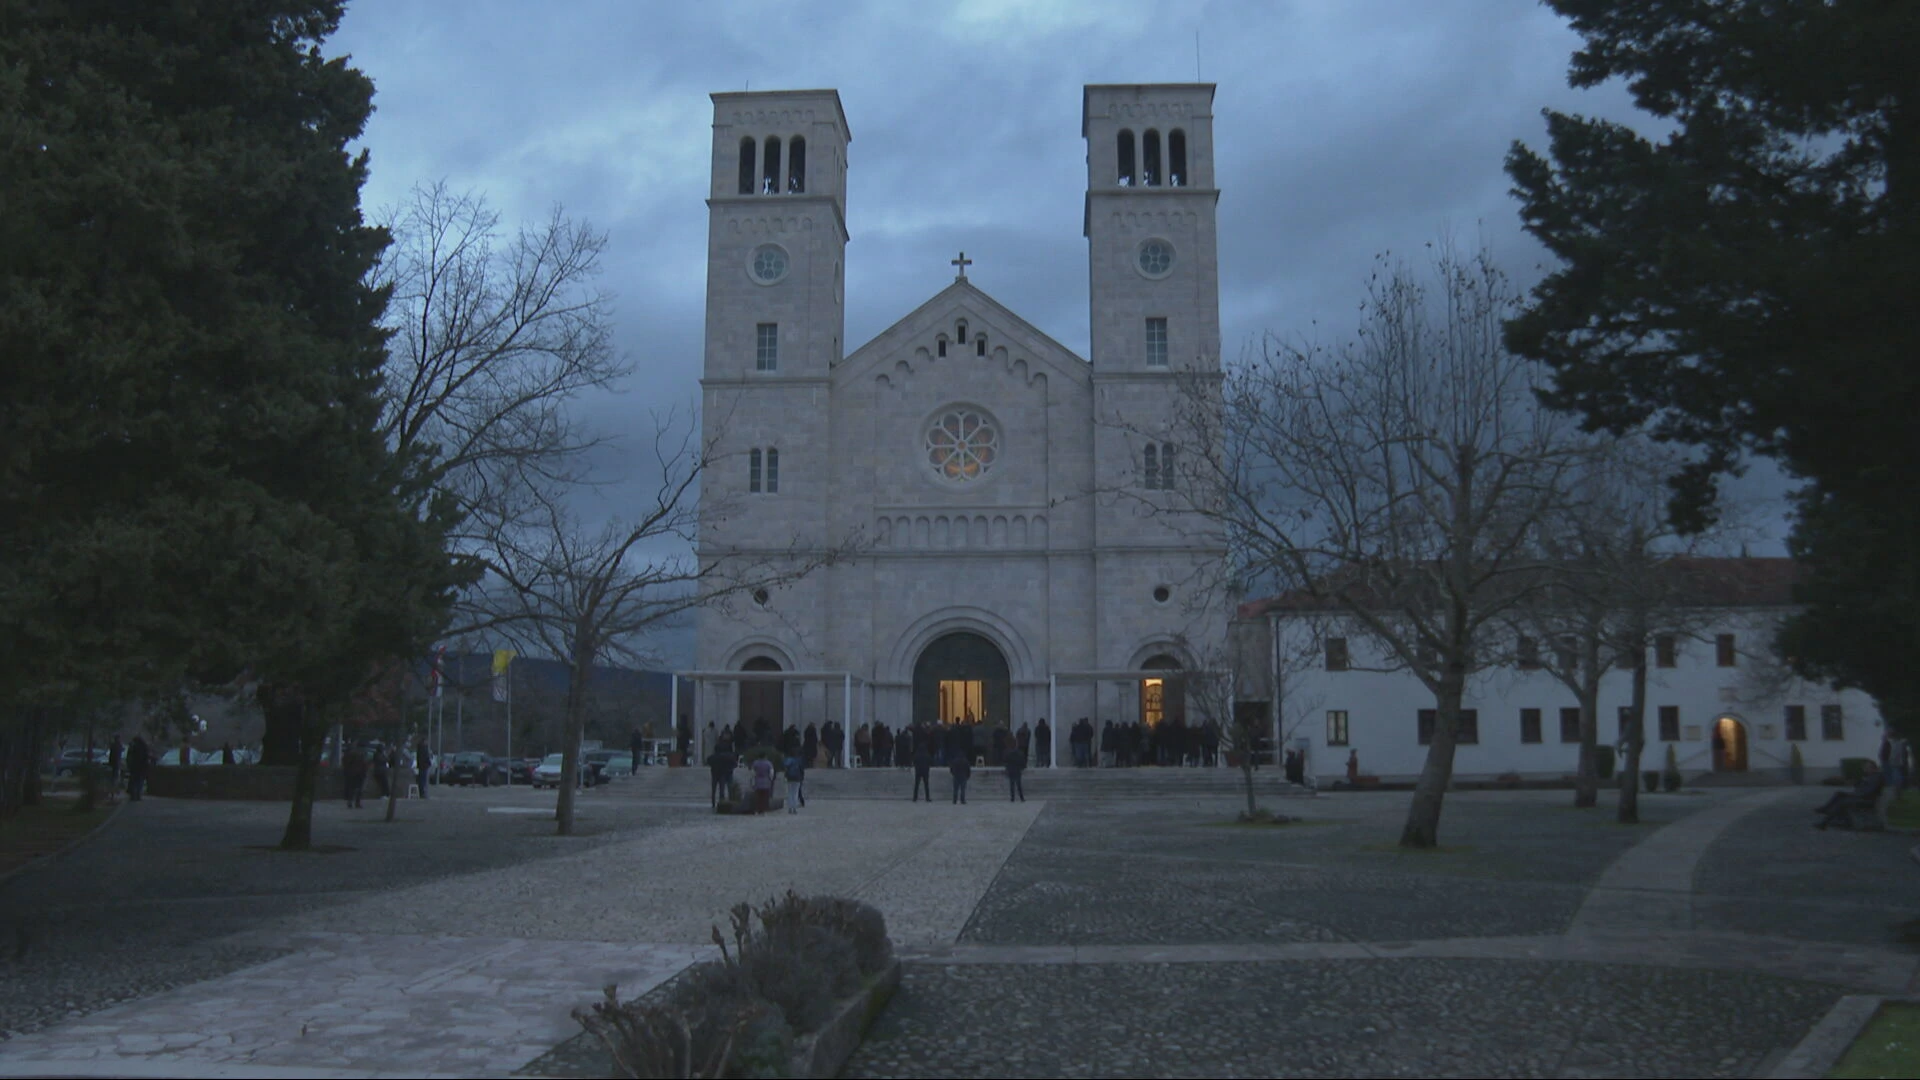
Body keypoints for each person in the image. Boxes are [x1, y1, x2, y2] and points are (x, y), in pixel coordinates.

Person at [1815, 761, 1885, 829]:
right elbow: (1861, 787)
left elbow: (1869, 791)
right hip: (1861, 797)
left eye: (1867, 768)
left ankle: (1825, 822)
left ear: (1873, 768)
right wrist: (1856, 783)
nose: (1865, 769)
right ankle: (1826, 810)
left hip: (1867, 800)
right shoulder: (1870, 776)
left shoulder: (1876, 777)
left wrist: (1854, 794)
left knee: (1843, 802)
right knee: (1839, 794)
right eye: (1864, 768)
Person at [708, 741, 738, 808]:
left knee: (715, 789)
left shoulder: (714, 757)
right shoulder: (729, 756)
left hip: (715, 773)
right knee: (727, 788)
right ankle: (727, 800)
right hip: (726, 772)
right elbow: (735, 764)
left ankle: (714, 802)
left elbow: (709, 762)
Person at [125, 736, 151, 801]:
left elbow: (129, 757)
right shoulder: (144, 747)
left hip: (134, 767)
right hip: (141, 768)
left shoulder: (133, 747)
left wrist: (129, 765)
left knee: (134, 781)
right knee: (140, 782)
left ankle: (133, 795)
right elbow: (146, 757)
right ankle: (138, 795)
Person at [784, 747, 807, 813]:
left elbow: (785, 767)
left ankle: (790, 808)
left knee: (790, 792)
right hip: (797, 777)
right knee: (795, 793)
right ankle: (794, 808)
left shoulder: (788, 760)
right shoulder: (799, 760)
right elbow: (802, 769)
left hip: (789, 777)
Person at [107, 735, 124, 800]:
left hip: (112, 764)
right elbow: (119, 753)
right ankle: (114, 791)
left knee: (112, 779)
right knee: (115, 778)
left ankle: (113, 791)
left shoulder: (113, 745)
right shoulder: (118, 746)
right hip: (116, 764)